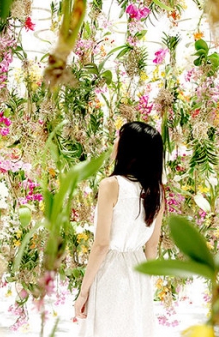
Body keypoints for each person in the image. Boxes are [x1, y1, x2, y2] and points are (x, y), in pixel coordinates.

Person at [74, 121, 165, 337]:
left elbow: (102, 245)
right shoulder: (157, 191)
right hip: (139, 271)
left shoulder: (111, 185)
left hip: (111, 272)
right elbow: (152, 246)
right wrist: (144, 285)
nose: (115, 142)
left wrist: (83, 292)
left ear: (128, 148)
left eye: (118, 138)